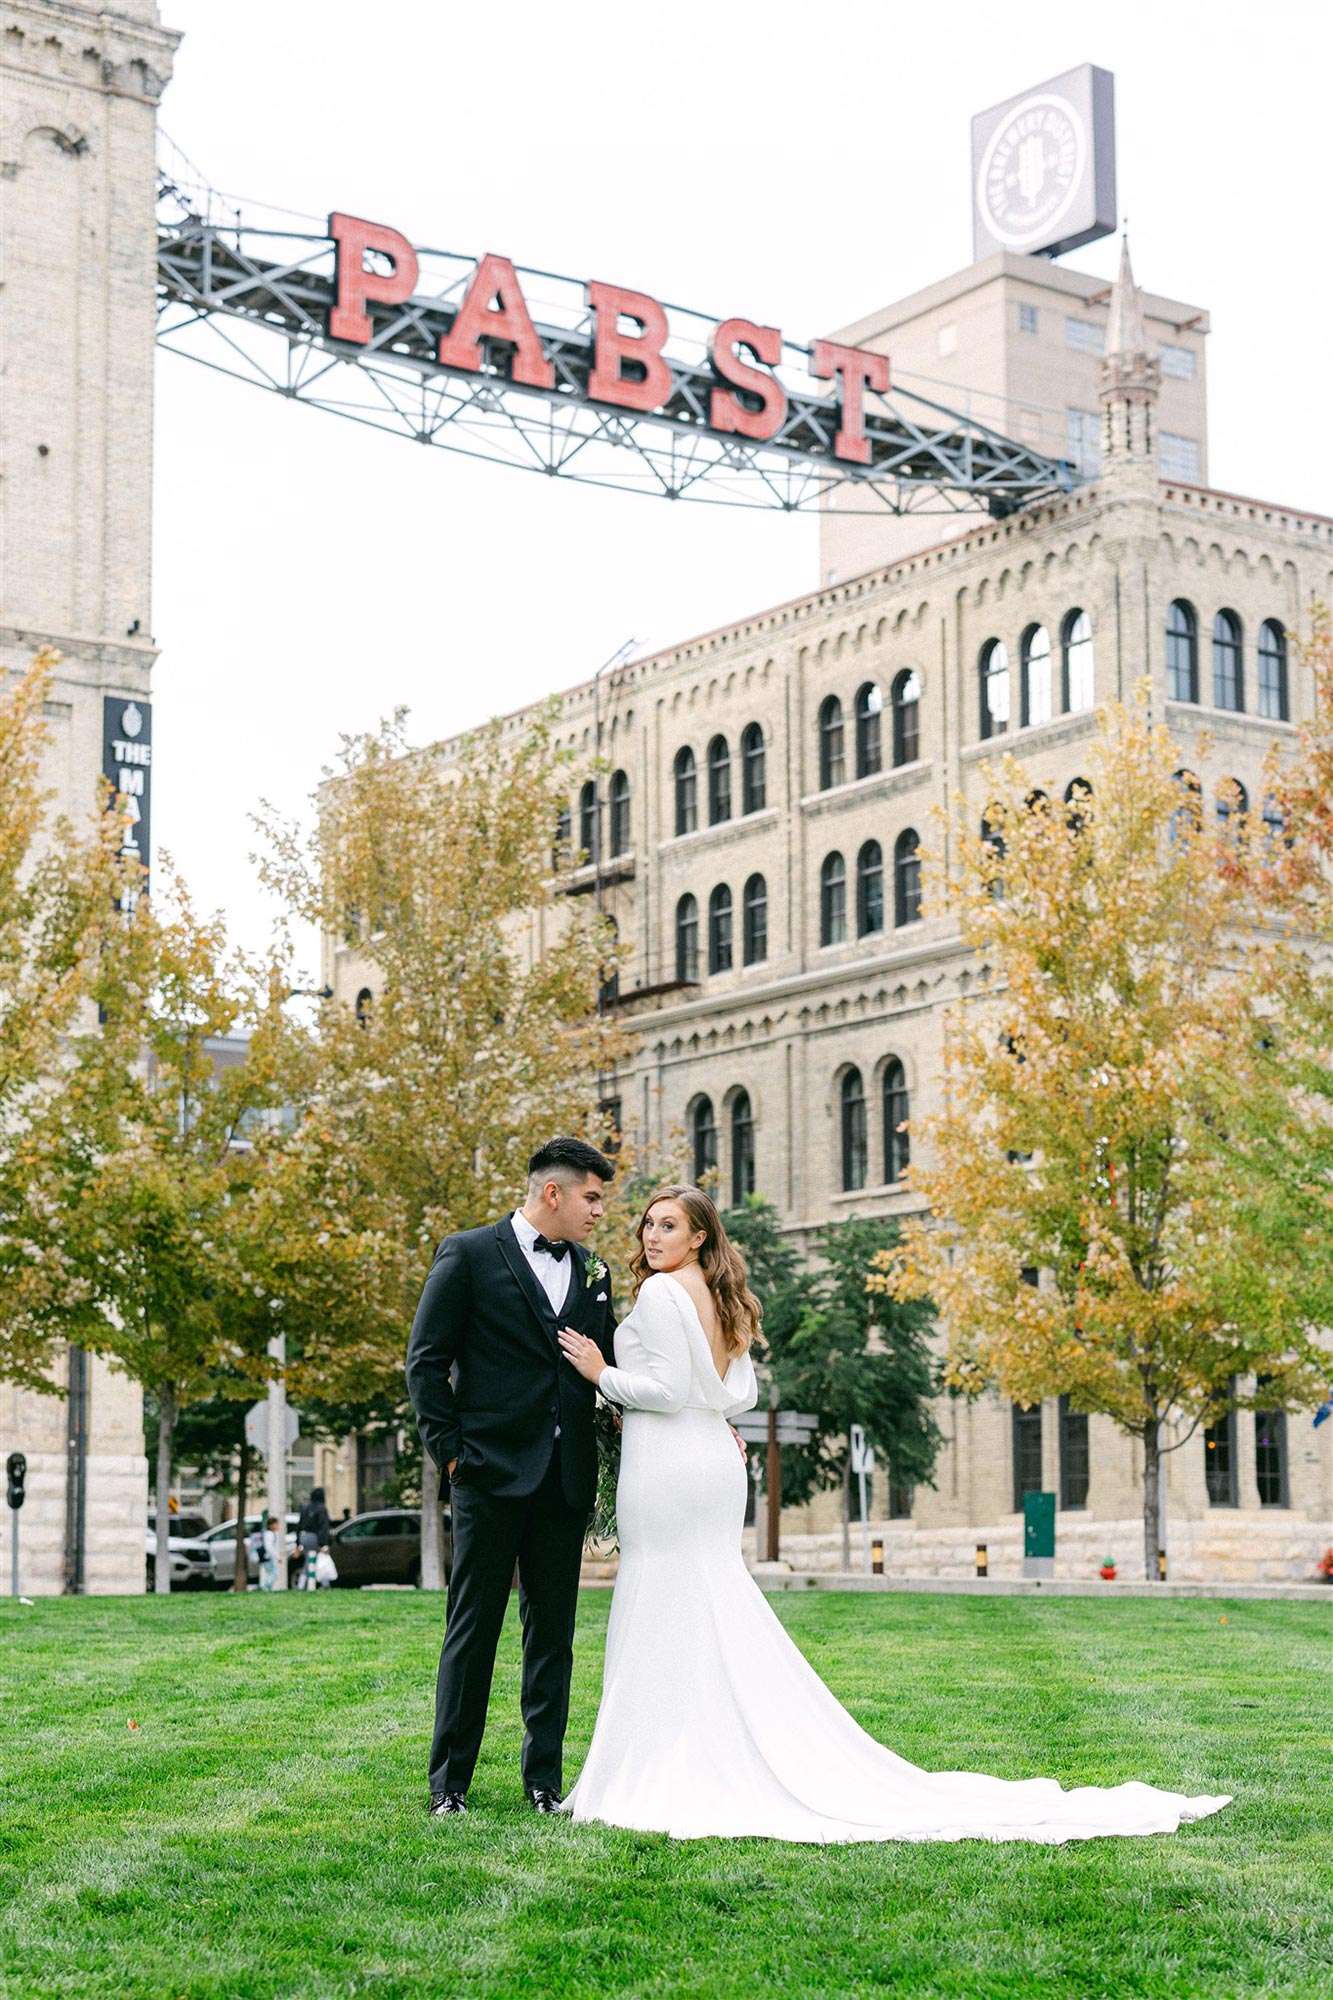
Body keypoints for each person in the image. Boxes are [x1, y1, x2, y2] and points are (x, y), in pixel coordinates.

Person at [555, 1185, 1233, 1845]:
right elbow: (737, 1393)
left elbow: (667, 1390)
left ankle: (660, 1763)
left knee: (664, 1594)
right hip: (712, 1458)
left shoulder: (662, 1293)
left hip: (669, 1463)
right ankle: (706, 1745)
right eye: (648, 1224)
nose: (652, 1235)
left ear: (699, 1235)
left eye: (668, 1225)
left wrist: (599, 1373)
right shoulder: (720, 1294)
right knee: (704, 1595)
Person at [405, 1136, 619, 1818]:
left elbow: (610, 1366)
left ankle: (543, 1783)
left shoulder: (594, 1272)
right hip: (488, 1476)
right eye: (591, 1198)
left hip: (564, 1481)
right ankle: (449, 1786)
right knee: (472, 1631)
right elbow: (425, 1362)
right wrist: (451, 1454)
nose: (598, 1212)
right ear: (552, 1193)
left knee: (552, 1636)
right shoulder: (467, 1254)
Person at [296, 1486, 332, 1591]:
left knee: (310, 1560)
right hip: (314, 1537)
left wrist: (298, 1542)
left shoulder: (305, 1507)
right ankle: (307, 1585)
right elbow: (323, 1527)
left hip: (303, 1536)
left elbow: (299, 1525)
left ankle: (305, 1584)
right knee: (317, 1560)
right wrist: (323, 1543)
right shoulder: (321, 1508)